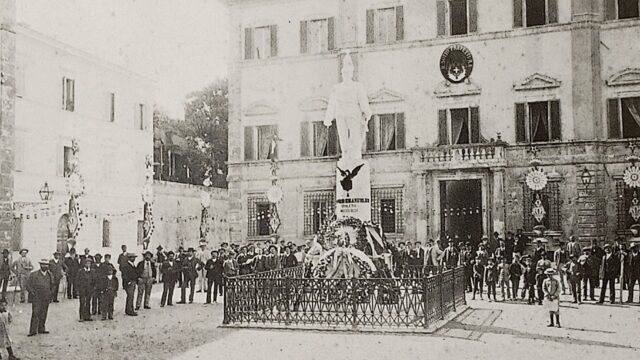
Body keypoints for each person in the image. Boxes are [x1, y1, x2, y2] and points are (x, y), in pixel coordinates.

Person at [26, 260, 52, 336]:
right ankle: (33, 330)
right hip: (37, 297)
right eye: (43, 265)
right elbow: (28, 285)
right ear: (40, 265)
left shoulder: (50, 275)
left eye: (46, 265)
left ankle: (41, 328)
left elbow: (53, 285)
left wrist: (50, 293)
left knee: (44, 313)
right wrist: (32, 292)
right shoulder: (34, 274)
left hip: (46, 297)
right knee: (35, 312)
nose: (45, 266)